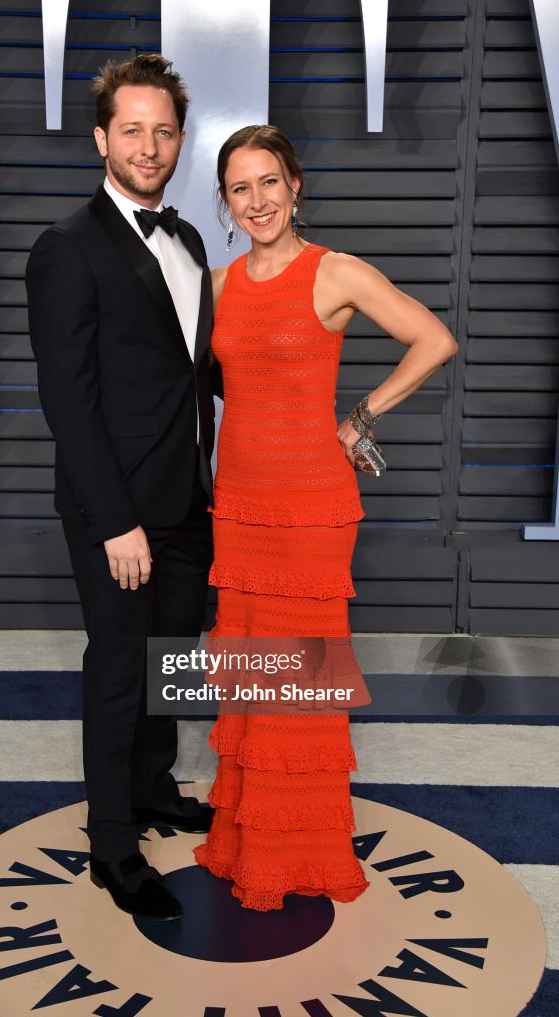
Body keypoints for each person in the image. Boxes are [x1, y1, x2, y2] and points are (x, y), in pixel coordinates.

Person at [194, 125, 458, 911]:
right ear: (226, 202)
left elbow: (432, 339)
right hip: (238, 504)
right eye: (240, 188)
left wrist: (362, 415)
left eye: (269, 182)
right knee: (250, 675)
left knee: (299, 685)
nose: (258, 200)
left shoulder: (334, 271)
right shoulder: (218, 283)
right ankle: (244, 840)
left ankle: (297, 853)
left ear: (295, 185)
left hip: (310, 510)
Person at [25, 54, 216, 922]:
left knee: (171, 658)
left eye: (164, 130)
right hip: (117, 509)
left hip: (189, 494)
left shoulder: (190, 240)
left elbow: (195, 372)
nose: (149, 145)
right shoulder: (67, 247)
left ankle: (152, 786)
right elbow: (69, 399)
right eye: (132, 129)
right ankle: (112, 843)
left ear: (180, 140)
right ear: (102, 138)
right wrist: (115, 522)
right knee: (117, 667)